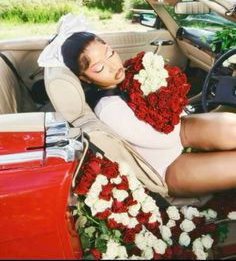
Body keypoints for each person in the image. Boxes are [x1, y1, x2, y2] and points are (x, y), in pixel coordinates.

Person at [59, 31, 236, 198]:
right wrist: (166, 100)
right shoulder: (109, 108)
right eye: (99, 68)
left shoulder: (125, 76)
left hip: (178, 133)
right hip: (169, 165)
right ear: (85, 78)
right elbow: (164, 140)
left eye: (110, 53)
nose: (113, 66)